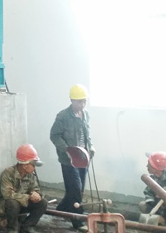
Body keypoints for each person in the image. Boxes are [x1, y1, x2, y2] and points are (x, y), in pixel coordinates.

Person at [50, 84, 95, 232]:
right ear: (72, 100)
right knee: (75, 189)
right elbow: (54, 136)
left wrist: (91, 146)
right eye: (79, 101)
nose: (82, 104)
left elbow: (87, 134)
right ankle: (78, 220)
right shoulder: (62, 116)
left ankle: (61, 210)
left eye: (84, 101)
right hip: (69, 160)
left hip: (83, 158)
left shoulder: (85, 114)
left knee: (77, 189)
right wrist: (67, 150)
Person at [0, 144, 48, 233]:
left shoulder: (30, 175)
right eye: (33, 165)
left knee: (42, 202)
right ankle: (12, 229)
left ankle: (26, 227)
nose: (34, 168)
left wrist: (36, 194)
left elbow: (35, 188)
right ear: (25, 166)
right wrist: (28, 197)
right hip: (3, 206)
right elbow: (7, 195)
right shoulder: (8, 173)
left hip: (20, 204)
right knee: (12, 203)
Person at [140, 152, 166, 228]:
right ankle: (165, 223)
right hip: (162, 209)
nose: (147, 166)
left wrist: (164, 192)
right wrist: (151, 203)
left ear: (156, 168)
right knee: (143, 205)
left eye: (149, 164)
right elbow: (148, 193)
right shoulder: (153, 178)